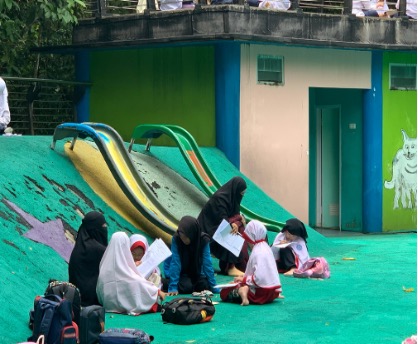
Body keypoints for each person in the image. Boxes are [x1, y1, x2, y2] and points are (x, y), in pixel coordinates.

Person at [96, 231, 166, 315]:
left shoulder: (104, 266)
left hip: (108, 305)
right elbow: (136, 282)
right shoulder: (124, 269)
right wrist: (157, 291)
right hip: (122, 305)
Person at [220, 220, 283, 306]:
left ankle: (243, 291)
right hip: (271, 293)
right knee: (238, 283)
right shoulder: (266, 248)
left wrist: (244, 280)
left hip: (260, 294)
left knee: (225, 292)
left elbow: (259, 277)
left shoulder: (257, 251)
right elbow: (270, 274)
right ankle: (245, 289)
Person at [197, 176, 249, 276]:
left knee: (238, 227)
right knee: (230, 231)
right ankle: (230, 267)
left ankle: (237, 264)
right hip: (207, 231)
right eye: (240, 193)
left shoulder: (232, 199)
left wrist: (237, 222)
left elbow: (234, 216)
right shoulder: (220, 199)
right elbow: (221, 221)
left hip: (218, 229)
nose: (241, 196)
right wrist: (233, 223)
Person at [164, 216, 220, 295]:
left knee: (205, 285)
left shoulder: (203, 240)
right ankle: (164, 282)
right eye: (181, 235)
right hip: (181, 273)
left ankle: (191, 285)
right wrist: (173, 286)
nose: (182, 239)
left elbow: (207, 263)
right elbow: (175, 262)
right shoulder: (177, 239)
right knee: (186, 287)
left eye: (185, 236)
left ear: (192, 234)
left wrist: (214, 286)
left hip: (196, 272)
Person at [68, 211, 108, 307]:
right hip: (91, 301)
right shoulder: (98, 250)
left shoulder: (81, 244)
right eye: (103, 225)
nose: (105, 228)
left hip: (75, 296)